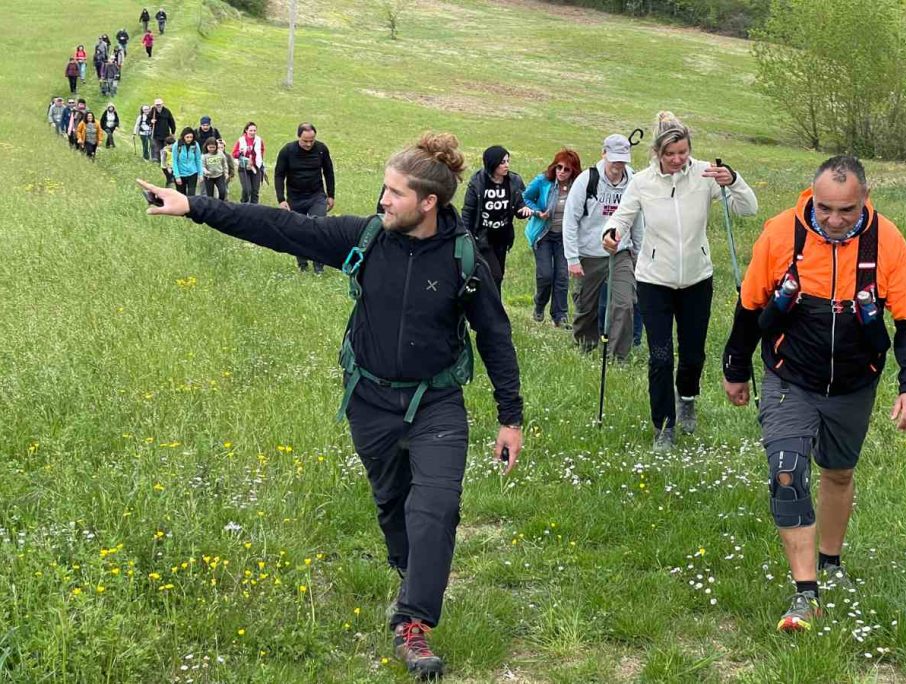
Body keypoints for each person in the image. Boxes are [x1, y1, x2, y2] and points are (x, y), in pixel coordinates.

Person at [136, 131, 523, 680]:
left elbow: (495, 336)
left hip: (437, 401)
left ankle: (412, 623)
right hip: (368, 399)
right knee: (392, 503)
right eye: (384, 189)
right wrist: (194, 205)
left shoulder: (465, 260)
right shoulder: (364, 238)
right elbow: (280, 226)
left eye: (394, 193)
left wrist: (510, 418)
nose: (382, 200)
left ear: (429, 202)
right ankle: (408, 572)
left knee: (435, 508)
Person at [721, 155, 906, 633]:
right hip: (789, 376)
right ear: (811, 197)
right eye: (825, 208)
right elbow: (750, 307)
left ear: (864, 200)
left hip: (855, 381)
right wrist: (735, 366)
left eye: (847, 211)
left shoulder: (886, 241)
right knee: (788, 474)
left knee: (837, 473)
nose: (835, 221)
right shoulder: (780, 234)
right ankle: (805, 595)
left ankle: (831, 562)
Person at [603, 112, 758, 448]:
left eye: (682, 152)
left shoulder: (705, 175)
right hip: (654, 280)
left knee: (693, 354)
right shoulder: (642, 181)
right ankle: (663, 426)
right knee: (660, 356)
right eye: (669, 154)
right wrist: (611, 232)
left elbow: (748, 209)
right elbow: (623, 215)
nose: (677, 160)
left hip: (696, 279)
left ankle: (686, 397)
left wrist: (733, 180)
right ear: (657, 153)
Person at [563, 134, 642, 364]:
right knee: (586, 307)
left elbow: (638, 219)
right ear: (603, 154)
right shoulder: (587, 180)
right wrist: (572, 258)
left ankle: (618, 357)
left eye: (622, 161)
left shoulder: (633, 181)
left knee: (624, 304)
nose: (618, 166)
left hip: (621, 253)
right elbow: (570, 220)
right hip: (589, 254)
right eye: (614, 160)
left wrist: (638, 252)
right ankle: (585, 346)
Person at [522, 148, 581, 327]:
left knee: (562, 276)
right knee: (546, 275)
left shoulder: (578, 186)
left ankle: (560, 316)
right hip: (544, 234)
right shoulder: (543, 181)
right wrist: (537, 212)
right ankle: (539, 306)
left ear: (573, 171)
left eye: (567, 169)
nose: (562, 172)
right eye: (559, 167)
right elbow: (525, 197)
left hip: (564, 237)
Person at [462, 146, 530, 296]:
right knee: (495, 276)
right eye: (502, 162)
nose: (507, 165)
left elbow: (520, 205)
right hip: (482, 237)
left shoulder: (514, 181)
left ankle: (490, 306)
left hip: (502, 237)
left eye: (507, 161)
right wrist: (465, 235)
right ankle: (492, 309)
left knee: (497, 276)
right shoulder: (478, 181)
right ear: (493, 164)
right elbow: (468, 211)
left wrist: (524, 211)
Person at [274, 122, 336, 273]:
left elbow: (328, 172)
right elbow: (279, 175)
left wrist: (331, 195)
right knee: (298, 231)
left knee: (319, 228)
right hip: (295, 197)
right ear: (298, 137)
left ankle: (319, 265)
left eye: (311, 140)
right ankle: (303, 265)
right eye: (305, 141)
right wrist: (281, 199)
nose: (309, 144)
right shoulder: (287, 151)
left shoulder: (321, 149)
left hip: (317, 196)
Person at [232, 122, 266, 204]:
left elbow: (261, 152)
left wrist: (259, 163)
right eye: (251, 130)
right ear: (246, 130)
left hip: (255, 167)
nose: (253, 132)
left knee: (255, 191)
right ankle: (243, 204)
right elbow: (234, 154)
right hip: (243, 167)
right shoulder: (241, 140)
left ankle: (255, 209)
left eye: (254, 130)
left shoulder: (259, 140)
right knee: (247, 190)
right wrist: (240, 153)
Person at [171, 127, 203, 196]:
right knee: (181, 196)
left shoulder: (195, 145)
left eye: (191, 137)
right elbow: (174, 161)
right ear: (183, 137)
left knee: (191, 195)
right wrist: (177, 176)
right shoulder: (177, 145)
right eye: (187, 137)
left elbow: (198, 160)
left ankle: (191, 207)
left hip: (193, 173)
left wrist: (200, 174)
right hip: (181, 174)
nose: (189, 139)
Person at [148, 98, 176, 164]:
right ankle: (158, 160)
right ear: (155, 105)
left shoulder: (167, 111)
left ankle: (166, 161)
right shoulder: (153, 111)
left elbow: (171, 121)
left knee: (166, 148)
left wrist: (173, 131)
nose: (158, 106)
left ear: (162, 104)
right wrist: (151, 121)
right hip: (156, 133)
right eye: (157, 105)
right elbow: (148, 120)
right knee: (157, 148)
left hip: (165, 133)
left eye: (160, 104)